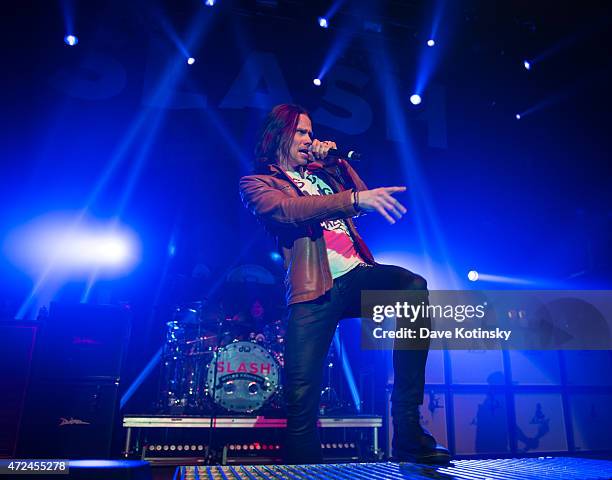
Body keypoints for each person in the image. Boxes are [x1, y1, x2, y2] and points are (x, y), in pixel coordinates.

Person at [239, 104, 450, 464]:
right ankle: (304, 469)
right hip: (312, 290)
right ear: (279, 136)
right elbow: (291, 212)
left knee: (413, 287)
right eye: (301, 132)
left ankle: (409, 432)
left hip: (355, 274)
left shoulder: (324, 172)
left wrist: (337, 163)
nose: (309, 138)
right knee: (301, 394)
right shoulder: (258, 184)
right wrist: (352, 199)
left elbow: (363, 196)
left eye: (310, 132)